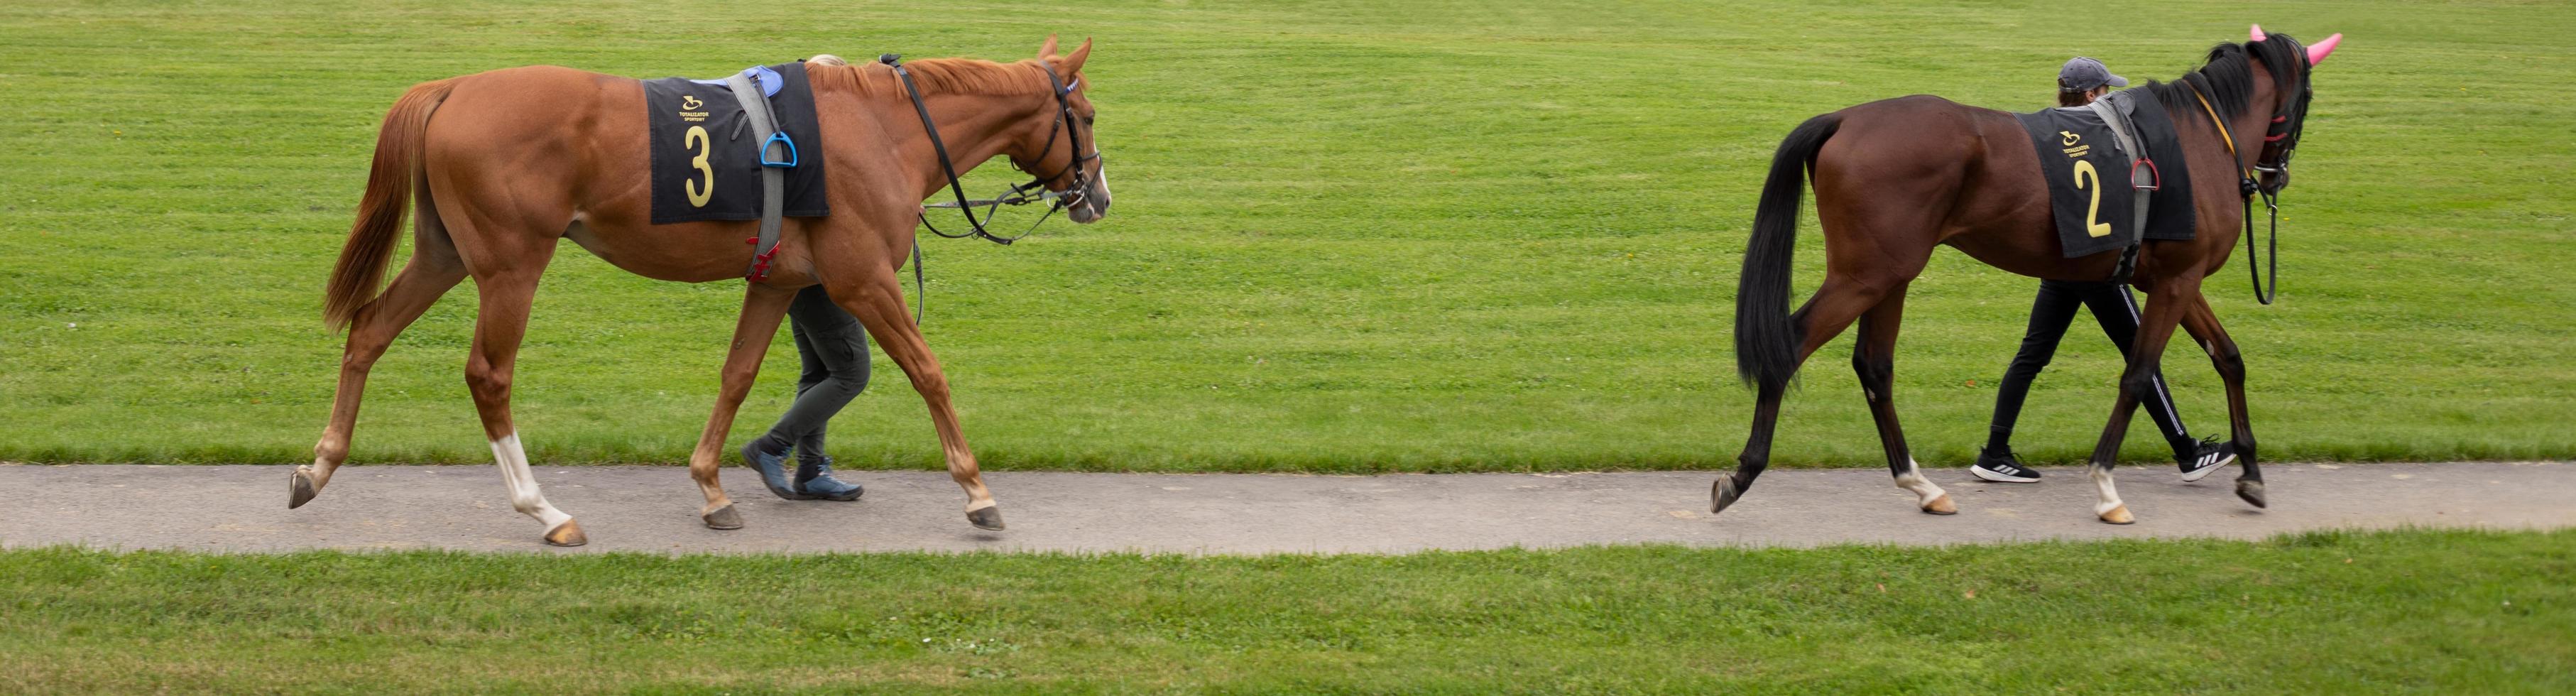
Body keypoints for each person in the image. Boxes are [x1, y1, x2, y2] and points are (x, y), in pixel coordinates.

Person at [1970, 57, 2235, 484]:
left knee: (2032, 355)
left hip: (2061, 263)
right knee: (2139, 353)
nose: (2111, 97)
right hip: (2098, 265)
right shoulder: (2103, 136)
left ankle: (1994, 451)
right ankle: (2186, 451)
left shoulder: (2057, 130)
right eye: (2106, 91)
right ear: (2093, 95)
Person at [738, 286, 870, 501]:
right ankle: (771, 447)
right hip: (823, 283)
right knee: (852, 375)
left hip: (800, 282)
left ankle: (811, 471)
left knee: (819, 373)